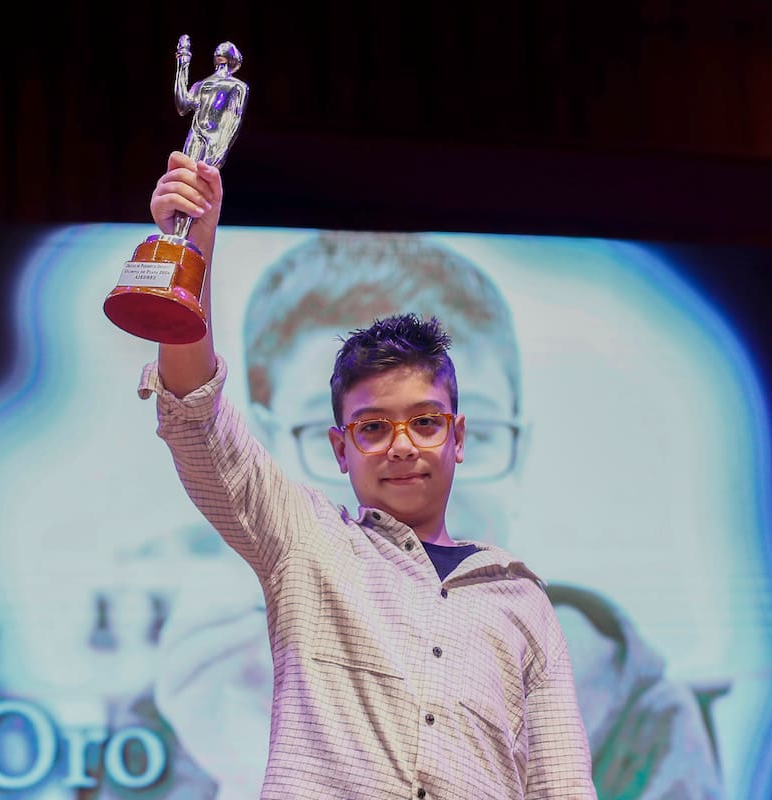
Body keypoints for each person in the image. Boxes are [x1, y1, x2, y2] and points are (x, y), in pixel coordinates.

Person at [139, 151, 597, 797]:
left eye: (426, 422)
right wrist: (192, 246)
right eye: (374, 428)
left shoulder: (521, 600)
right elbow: (196, 420)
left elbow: (563, 784)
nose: (401, 446)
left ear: (459, 437)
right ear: (340, 448)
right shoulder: (306, 547)